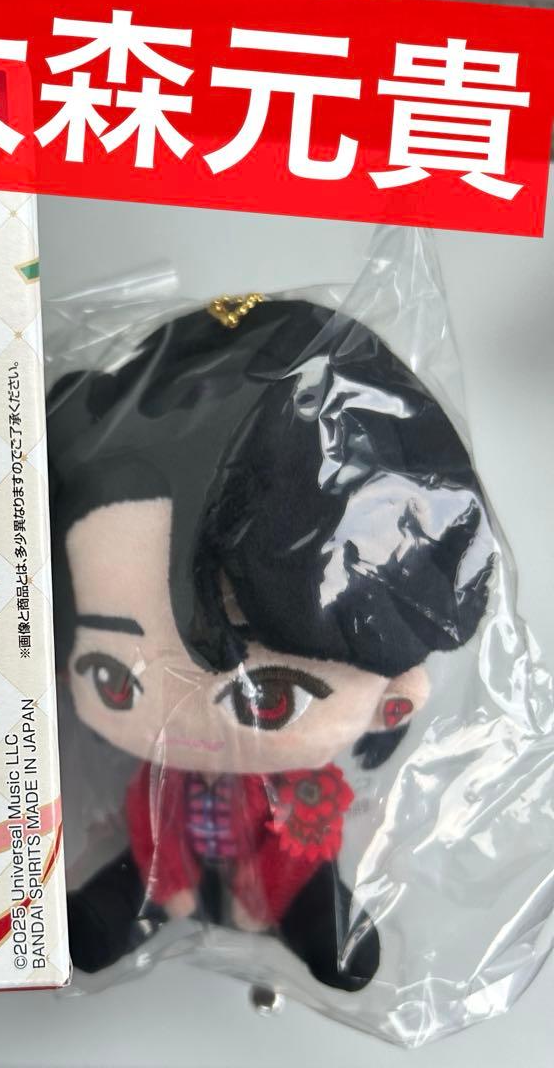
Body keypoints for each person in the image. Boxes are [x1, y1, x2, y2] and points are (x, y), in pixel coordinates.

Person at [48, 297, 495, 990]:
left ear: (396, 688)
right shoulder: (164, 780)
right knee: (143, 870)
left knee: (304, 877)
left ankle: (308, 917)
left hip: (278, 854)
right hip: (169, 849)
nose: (192, 722)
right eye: (112, 676)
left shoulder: (297, 783)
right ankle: (143, 906)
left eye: (274, 697)